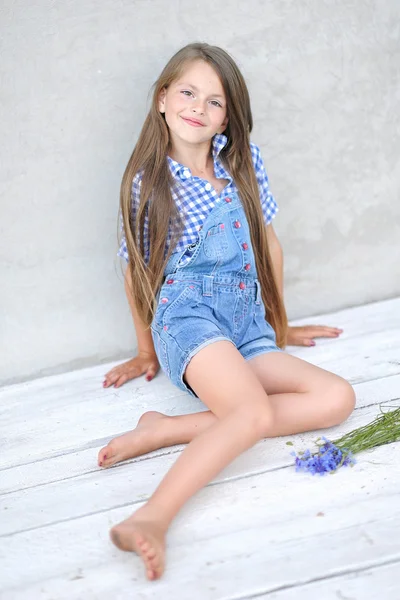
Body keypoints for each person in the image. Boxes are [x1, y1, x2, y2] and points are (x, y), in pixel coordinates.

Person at [98, 43, 355, 581]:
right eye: (188, 92)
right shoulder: (150, 185)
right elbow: (134, 272)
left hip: (246, 325)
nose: (199, 106)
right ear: (163, 98)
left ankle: (167, 428)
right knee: (254, 413)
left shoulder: (243, 163)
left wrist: (280, 326)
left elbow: (269, 246)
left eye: (215, 100)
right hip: (188, 321)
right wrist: (145, 350)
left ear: (228, 115)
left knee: (336, 398)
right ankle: (153, 517)